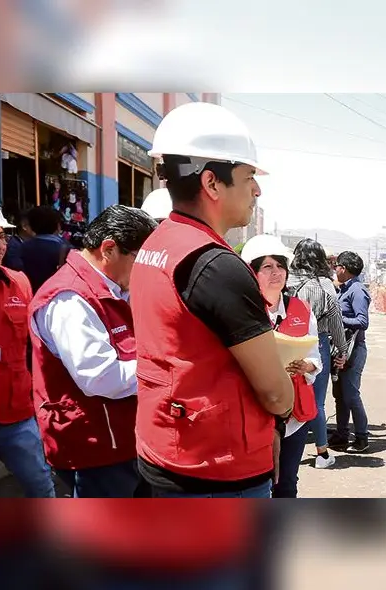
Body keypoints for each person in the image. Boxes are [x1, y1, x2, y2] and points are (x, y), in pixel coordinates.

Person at [130, 101, 294, 498]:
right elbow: (274, 391)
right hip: (216, 466)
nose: (256, 189)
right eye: (248, 176)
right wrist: (285, 407)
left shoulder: (158, 243)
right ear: (212, 183)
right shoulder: (217, 266)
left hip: (167, 446)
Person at [29, 205, 158, 498]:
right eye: (140, 259)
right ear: (109, 249)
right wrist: (162, 368)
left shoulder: (116, 288)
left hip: (125, 439)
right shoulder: (70, 298)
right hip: (96, 447)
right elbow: (100, 377)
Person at [0, 188, 55, 498]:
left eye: (2, 236)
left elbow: (34, 347)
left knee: (42, 487)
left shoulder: (19, 282)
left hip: (15, 413)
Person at [240, 235, 321, 498]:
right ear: (252, 272)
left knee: (287, 484)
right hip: (256, 412)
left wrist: (305, 366)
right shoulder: (243, 309)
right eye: (267, 267)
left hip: (294, 414)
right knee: (258, 483)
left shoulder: (302, 309)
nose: (276, 273)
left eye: (280, 266)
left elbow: (315, 356)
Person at [287, 238, 348, 469]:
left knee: (286, 396)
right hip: (316, 343)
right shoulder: (325, 284)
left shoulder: (287, 280)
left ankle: (282, 450)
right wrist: (342, 350)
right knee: (316, 402)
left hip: (286, 341)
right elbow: (335, 320)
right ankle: (322, 453)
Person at [329, 251, 371, 453]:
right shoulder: (344, 289)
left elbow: (362, 322)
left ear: (343, 268)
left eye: (336, 266)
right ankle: (342, 433)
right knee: (340, 395)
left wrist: (336, 320)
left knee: (351, 395)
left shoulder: (357, 290)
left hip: (354, 350)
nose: (335, 269)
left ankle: (362, 437)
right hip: (341, 348)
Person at [19, 206, 72, 293]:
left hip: (28, 296)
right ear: (57, 226)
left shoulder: (21, 247)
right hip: (55, 297)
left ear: (31, 226)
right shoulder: (66, 249)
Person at [1, 207, 35, 272]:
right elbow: (18, 270)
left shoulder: (26, 244)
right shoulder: (13, 246)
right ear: (24, 226)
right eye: (36, 224)